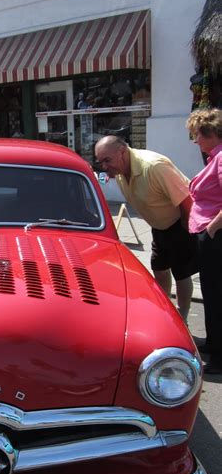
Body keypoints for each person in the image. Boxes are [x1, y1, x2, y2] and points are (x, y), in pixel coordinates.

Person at [95, 135, 198, 322]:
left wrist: (185, 230)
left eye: (107, 160)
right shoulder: (119, 172)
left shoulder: (154, 167)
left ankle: (182, 317)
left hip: (179, 224)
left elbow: (187, 200)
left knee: (181, 272)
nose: (104, 166)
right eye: (100, 162)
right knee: (159, 268)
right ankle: (164, 310)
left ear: (122, 152)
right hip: (159, 227)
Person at [186, 108, 222, 374]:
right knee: (211, 293)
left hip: (215, 236)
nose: (195, 140)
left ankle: (220, 358)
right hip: (210, 234)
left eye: (197, 134)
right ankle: (213, 343)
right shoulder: (214, 157)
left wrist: (211, 228)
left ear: (210, 133)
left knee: (215, 295)